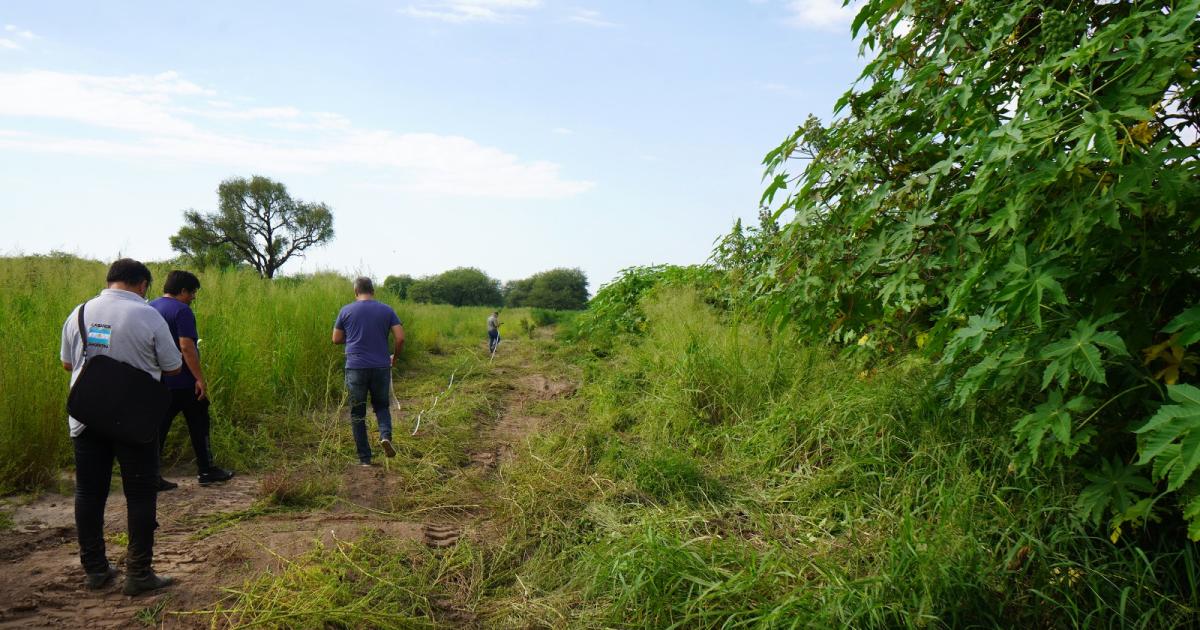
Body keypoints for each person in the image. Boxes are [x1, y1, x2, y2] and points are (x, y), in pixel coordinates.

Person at [60, 258, 182, 595]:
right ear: (142, 284)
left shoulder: (80, 312)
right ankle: (139, 573)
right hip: (134, 420)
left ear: (111, 280)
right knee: (140, 496)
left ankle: (96, 570)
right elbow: (172, 368)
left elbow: (68, 363)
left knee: (88, 493)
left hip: (86, 417)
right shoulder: (149, 315)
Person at [150, 270, 234, 491]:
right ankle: (207, 470)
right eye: (193, 292)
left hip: (158, 381)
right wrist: (199, 379)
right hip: (183, 381)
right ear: (183, 290)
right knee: (199, 424)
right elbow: (186, 346)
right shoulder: (182, 311)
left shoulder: (149, 307)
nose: (193, 297)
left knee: (158, 428)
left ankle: (150, 475)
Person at [333, 277, 405, 466]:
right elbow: (400, 338)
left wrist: (353, 338)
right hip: (381, 366)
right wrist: (394, 358)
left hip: (356, 367)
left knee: (358, 413)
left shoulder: (346, 310)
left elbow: (336, 338)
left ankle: (365, 459)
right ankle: (385, 436)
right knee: (381, 406)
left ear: (356, 292)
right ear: (373, 291)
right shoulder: (387, 310)